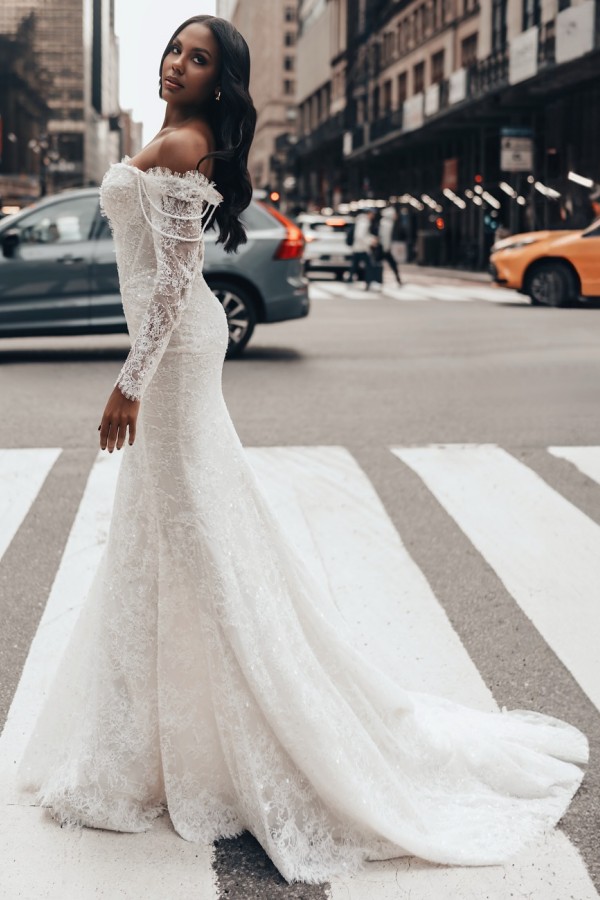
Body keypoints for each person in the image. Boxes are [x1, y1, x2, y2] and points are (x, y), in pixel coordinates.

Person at [18, 14, 587, 887]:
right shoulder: (180, 138)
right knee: (175, 527)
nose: (178, 62)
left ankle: (224, 729)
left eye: (198, 58)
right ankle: (158, 735)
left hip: (169, 361)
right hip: (176, 353)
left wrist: (130, 381)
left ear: (220, 82)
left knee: (194, 531)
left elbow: (171, 285)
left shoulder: (180, 146)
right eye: (176, 48)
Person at [348, 208, 377, 288]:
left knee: (354, 266)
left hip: (358, 247)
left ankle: (350, 280)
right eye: (372, 214)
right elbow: (360, 235)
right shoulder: (364, 222)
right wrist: (371, 241)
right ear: (369, 213)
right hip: (362, 248)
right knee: (369, 266)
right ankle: (368, 282)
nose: (373, 216)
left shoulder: (361, 220)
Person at [378, 205, 402, 284]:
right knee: (391, 264)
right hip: (384, 248)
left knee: (379, 264)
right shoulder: (387, 223)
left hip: (384, 248)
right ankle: (378, 279)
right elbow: (385, 237)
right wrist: (386, 248)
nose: (396, 216)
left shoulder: (385, 222)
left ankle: (378, 280)